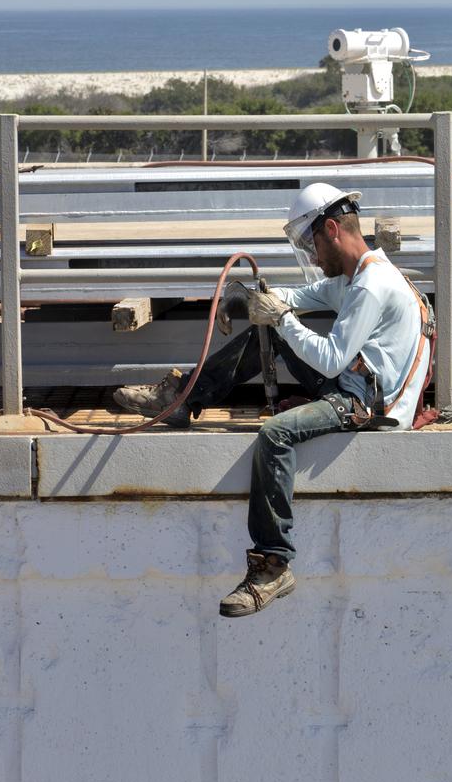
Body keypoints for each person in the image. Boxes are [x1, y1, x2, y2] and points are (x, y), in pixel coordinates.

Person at [113, 183, 433, 617]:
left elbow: (334, 358)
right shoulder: (355, 277)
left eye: (312, 246)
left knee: (275, 435)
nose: (314, 258)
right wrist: (250, 299)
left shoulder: (371, 285)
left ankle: (272, 564)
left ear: (333, 229)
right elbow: (294, 300)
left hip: (364, 402)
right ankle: (184, 397)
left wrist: (280, 318)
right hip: (353, 382)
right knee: (274, 331)